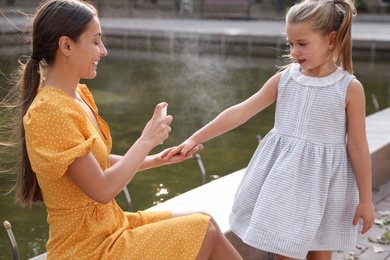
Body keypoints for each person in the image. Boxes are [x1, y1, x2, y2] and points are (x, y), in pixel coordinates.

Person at [1, 0, 243, 259]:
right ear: (66, 45)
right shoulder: (49, 111)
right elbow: (103, 190)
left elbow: (97, 163)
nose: (103, 51)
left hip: (110, 225)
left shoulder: (78, 96)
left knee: (204, 218)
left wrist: (155, 159)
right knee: (202, 229)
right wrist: (146, 141)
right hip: (86, 246)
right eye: (95, 42)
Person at [165, 0, 375, 259]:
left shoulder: (349, 88)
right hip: (286, 184)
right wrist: (195, 137)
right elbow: (240, 111)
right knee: (285, 251)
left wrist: (365, 200)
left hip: (325, 186)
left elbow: (357, 146)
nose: (294, 51)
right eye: (290, 43)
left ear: (331, 40)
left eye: (302, 43)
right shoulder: (285, 79)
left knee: (320, 254)